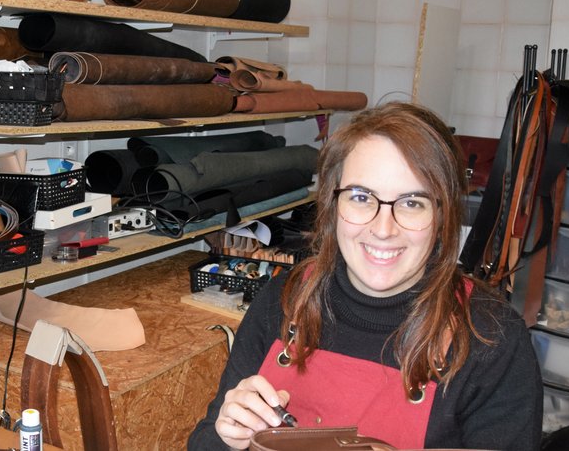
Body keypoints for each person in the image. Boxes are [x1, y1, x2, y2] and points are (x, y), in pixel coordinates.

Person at [188, 103, 542, 450]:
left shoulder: (492, 339)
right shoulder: (283, 300)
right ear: (332, 204)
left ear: (442, 216)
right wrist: (225, 437)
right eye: (361, 197)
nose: (383, 229)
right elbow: (204, 442)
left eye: (411, 202)